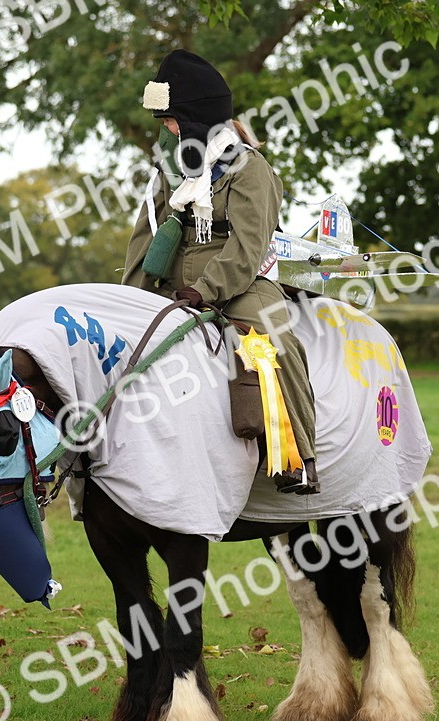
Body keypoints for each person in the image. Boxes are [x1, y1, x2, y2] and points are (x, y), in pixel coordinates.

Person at [122, 49, 318, 495]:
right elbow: (143, 240)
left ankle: (302, 457)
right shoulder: (168, 174)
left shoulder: (252, 171)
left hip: (239, 286)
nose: (168, 130)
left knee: (277, 338)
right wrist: (130, 300)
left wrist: (204, 289)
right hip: (174, 289)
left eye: (172, 121)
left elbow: (248, 249)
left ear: (194, 119)